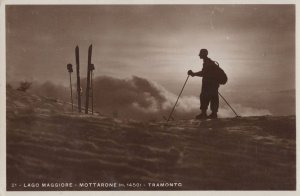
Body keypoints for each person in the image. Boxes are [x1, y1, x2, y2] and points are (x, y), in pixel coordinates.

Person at [188, 49, 219, 119]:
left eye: (200, 53)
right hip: (214, 84)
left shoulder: (207, 63)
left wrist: (193, 74)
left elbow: (203, 73)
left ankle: (204, 114)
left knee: (204, 97)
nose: (199, 55)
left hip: (208, 84)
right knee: (213, 97)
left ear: (204, 54)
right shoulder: (210, 62)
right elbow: (205, 73)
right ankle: (214, 114)